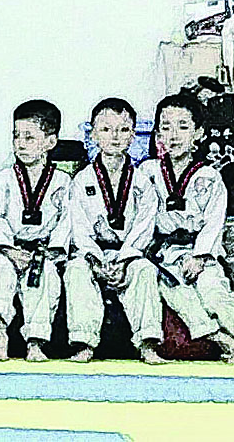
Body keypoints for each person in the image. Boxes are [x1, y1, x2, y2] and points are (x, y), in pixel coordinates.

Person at [141, 93, 234, 364]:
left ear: (199, 132)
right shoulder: (147, 171)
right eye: (166, 127)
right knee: (179, 295)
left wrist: (201, 256)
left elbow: (214, 222)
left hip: (200, 252)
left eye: (183, 126)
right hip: (163, 256)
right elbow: (140, 218)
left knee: (214, 294)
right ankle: (224, 341)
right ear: (157, 134)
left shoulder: (210, 176)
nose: (174, 135)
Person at [63, 98, 164, 363]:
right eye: (106, 130)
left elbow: (144, 226)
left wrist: (125, 259)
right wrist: (95, 260)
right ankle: (84, 342)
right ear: (93, 134)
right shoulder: (81, 179)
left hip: (128, 255)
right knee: (76, 269)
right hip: (93, 254)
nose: (115, 137)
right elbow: (79, 227)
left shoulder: (142, 181)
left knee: (144, 270)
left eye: (123, 130)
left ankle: (147, 343)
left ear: (133, 135)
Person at [0, 99, 71, 361]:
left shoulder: (63, 181)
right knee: (0, 271)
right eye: (16, 136)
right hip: (9, 250)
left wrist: (50, 251)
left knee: (46, 277)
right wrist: (9, 250)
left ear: (50, 142)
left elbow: (66, 221)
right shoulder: (5, 178)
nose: (20, 144)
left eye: (29, 138)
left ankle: (35, 341)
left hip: (43, 252)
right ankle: (0, 335)